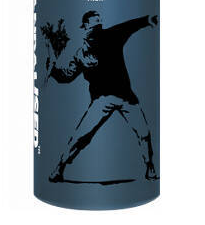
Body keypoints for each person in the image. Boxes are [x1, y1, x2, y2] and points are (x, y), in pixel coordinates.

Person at [46, 10, 159, 182]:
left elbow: (129, 26)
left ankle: (150, 167)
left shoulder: (112, 35)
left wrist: (148, 19)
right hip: (102, 100)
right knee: (81, 137)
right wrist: (53, 70)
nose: (97, 26)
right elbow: (67, 76)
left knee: (144, 133)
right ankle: (59, 169)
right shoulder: (81, 53)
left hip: (126, 97)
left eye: (99, 23)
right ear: (85, 27)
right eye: (93, 23)